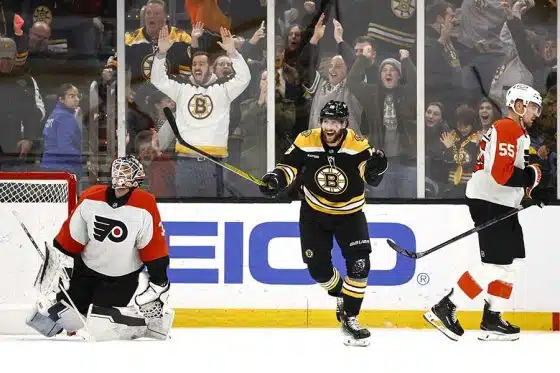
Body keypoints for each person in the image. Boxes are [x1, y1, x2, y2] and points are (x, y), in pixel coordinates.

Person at [424, 84, 549, 342]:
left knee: (511, 264)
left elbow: (510, 172)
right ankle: (446, 306)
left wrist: (530, 191)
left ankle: (492, 317)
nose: (537, 112)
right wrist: (533, 176)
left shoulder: (518, 132)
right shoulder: (507, 128)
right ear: (518, 105)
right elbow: (502, 174)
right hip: (489, 201)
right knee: (495, 265)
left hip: (502, 201)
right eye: (533, 106)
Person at [258, 100, 388, 347]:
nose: (330, 127)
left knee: (360, 265)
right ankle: (341, 292)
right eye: (327, 121)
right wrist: (276, 179)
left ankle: (350, 318)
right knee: (318, 270)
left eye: (336, 122)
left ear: (344, 124)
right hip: (314, 213)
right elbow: (288, 167)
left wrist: (377, 169)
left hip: (350, 214)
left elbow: (370, 177)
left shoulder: (357, 144)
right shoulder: (307, 140)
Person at [26, 155, 173, 341]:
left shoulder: (145, 204)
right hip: (85, 273)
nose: (122, 175)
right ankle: (71, 318)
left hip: (122, 280)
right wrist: (56, 266)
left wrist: (159, 282)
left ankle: (144, 326)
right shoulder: (90, 197)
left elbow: (153, 247)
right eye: (120, 170)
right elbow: (70, 238)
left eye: (127, 171)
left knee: (100, 321)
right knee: (62, 316)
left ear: (137, 177)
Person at [152, 25, 250, 197]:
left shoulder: (223, 89)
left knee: (214, 212)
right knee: (186, 211)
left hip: (215, 163)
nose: (197, 67)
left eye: (202, 64)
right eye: (194, 64)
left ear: (210, 68)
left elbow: (244, 78)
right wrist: (161, 54)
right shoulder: (182, 88)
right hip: (185, 163)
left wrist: (233, 53)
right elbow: (158, 79)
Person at [40, 84, 83, 177]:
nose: (76, 99)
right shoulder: (65, 117)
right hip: (62, 168)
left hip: (49, 165)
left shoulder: (54, 114)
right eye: (71, 96)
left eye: (77, 96)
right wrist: (81, 160)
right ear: (61, 99)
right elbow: (65, 147)